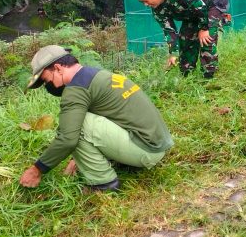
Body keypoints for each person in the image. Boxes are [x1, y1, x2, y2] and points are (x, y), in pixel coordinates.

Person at [19, 46, 173, 191]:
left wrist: (36, 170)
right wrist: (79, 159)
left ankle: (103, 183)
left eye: (47, 80)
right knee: (79, 122)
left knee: (76, 126)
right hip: (157, 143)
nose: (48, 86)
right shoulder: (96, 75)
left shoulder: (76, 90)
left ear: (58, 68)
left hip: (147, 150)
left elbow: (67, 138)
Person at [133, 0, 230, 78]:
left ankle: (209, 76)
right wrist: (173, 53)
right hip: (192, 15)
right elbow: (169, 31)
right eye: (142, 2)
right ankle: (187, 76)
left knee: (206, 39)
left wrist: (204, 28)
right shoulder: (157, 9)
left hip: (210, 5)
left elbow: (201, 7)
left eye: (147, 0)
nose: (146, 4)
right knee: (185, 40)